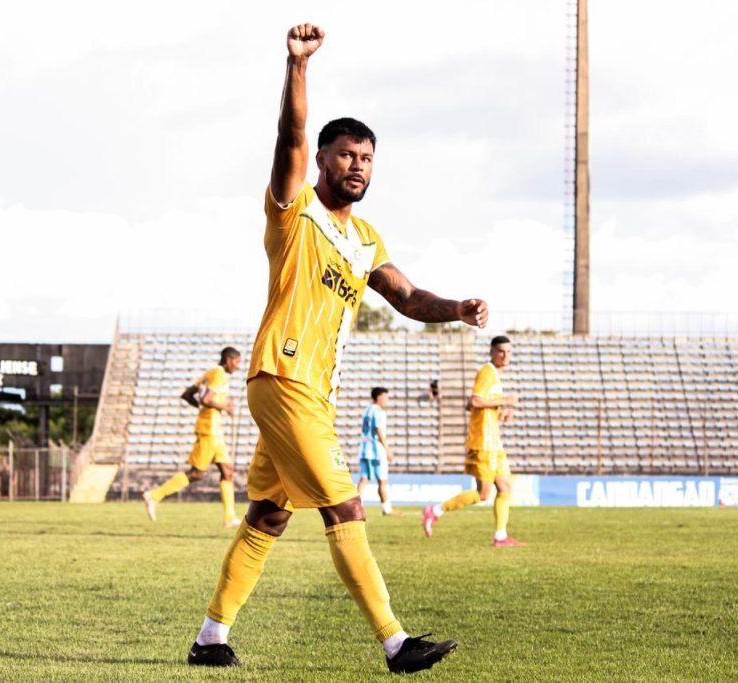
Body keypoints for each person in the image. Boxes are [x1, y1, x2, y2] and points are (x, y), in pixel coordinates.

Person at [187, 24, 487, 673]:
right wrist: (297, 67)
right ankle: (396, 643)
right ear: (323, 160)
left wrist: (456, 309)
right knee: (345, 505)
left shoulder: (366, 239)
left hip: (312, 394)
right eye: (347, 154)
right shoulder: (294, 209)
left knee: (268, 515)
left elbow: (407, 297)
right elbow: (291, 134)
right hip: (283, 375)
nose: (358, 165)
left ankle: (210, 637)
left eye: (367, 157)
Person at [422, 336, 521, 547]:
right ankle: (435, 510)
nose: (505, 355)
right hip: (483, 442)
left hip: (494, 441)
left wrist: (501, 413)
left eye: (509, 351)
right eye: (501, 351)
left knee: (505, 487)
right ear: (492, 352)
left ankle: (501, 536)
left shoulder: (495, 376)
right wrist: (504, 401)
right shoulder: (487, 372)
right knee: (484, 493)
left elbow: (474, 405)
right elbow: (475, 401)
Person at [144, 347, 242, 527]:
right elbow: (207, 399)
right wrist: (225, 407)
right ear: (229, 360)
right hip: (209, 430)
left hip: (215, 430)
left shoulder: (208, 374)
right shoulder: (219, 375)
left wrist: (203, 408)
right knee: (197, 473)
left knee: (227, 471)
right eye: (237, 362)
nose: (238, 366)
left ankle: (229, 518)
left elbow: (187, 395)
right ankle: (154, 495)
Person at [356, 387, 400, 516]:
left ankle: (356, 509)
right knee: (382, 481)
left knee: (363, 480)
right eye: (385, 397)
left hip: (364, 449)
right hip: (376, 451)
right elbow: (379, 430)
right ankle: (387, 509)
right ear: (379, 397)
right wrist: (387, 449)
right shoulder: (379, 412)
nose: (387, 400)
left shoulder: (367, 410)